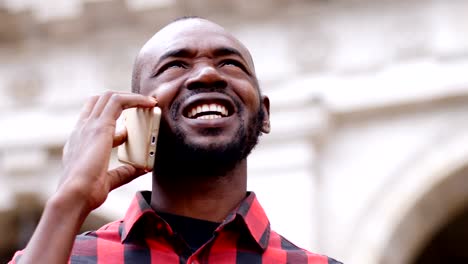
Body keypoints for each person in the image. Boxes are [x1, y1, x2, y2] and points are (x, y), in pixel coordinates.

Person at [9, 17, 341, 264]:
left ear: (264, 114)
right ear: (137, 117)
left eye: (229, 63)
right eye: (175, 65)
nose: (207, 74)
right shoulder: (66, 257)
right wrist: (71, 197)